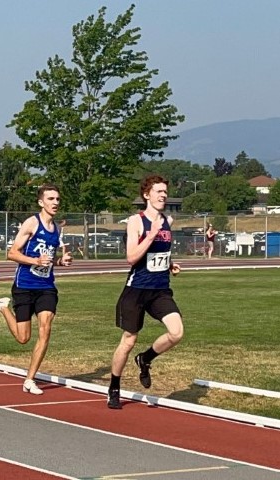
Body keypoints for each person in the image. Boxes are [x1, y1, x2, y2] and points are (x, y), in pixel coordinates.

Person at [107, 174, 183, 409]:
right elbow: (131, 257)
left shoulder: (168, 220)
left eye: (165, 192)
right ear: (146, 195)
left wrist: (170, 263)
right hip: (137, 290)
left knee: (176, 333)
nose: (163, 195)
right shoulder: (136, 221)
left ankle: (146, 358)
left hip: (160, 290)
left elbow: (159, 252)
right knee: (129, 340)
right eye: (158, 191)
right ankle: (114, 387)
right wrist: (151, 235)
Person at [0, 184, 73, 395]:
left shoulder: (56, 229)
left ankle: (29, 379)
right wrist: (34, 260)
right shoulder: (31, 223)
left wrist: (61, 262)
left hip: (46, 287)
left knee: (45, 328)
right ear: (41, 202)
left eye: (57, 199)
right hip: (24, 286)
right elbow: (12, 253)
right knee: (23, 338)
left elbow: (48, 259)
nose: (55, 203)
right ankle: (3, 307)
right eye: (51, 199)